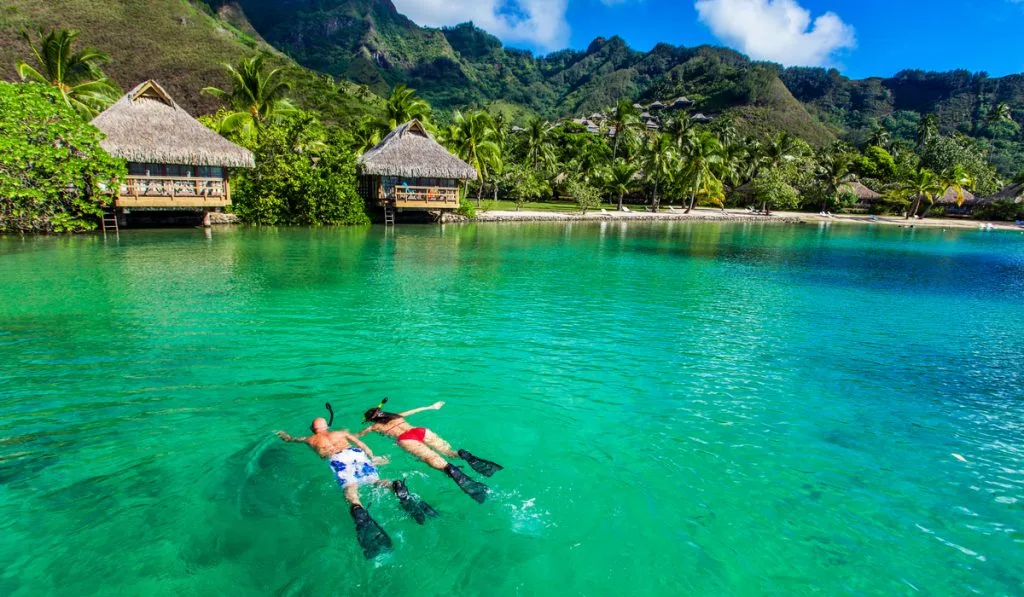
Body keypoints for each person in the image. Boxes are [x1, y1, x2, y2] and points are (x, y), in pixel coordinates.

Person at [276, 417, 437, 559]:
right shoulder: (340, 433)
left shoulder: (309, 439)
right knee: (375, 481)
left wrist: (285, 436)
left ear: (313, 429)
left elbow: (292, 439)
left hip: (337, 460)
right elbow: (360, 443)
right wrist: (373, 456)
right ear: (327, 426)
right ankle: (393, 485)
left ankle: (358, 509)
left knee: (350, 490)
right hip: (355, 454)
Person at [358, 399, 502, 504]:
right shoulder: (397, 416)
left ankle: (450, 470)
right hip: (419, 431)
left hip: (405, 439)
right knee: (449, 452)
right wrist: (432, 406)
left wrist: (359, 433)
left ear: (372, 420)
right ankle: (462, 455)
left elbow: (358, 436)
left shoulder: (374, 427)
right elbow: (416, 409)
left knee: (432, 459)